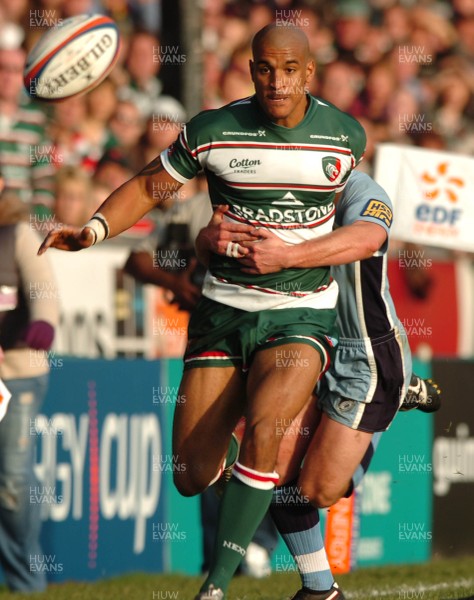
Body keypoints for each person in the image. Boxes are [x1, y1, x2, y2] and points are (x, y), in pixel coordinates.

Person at [38, 24, 366, 599]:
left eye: (289, 69)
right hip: (223, 311)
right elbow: (149, 186)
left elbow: (360, 228)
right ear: (249, 69)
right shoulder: (213, 130)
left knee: (269, 428)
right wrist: (92, 230)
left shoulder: (344, 137)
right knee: (190, 475)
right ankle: (256, 487)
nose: (277, 80)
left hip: (302, 313)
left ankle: (215, 586)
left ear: (309, 73)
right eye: (265, 68)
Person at [198, 170, 441, 599]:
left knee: (317, 489)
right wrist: (213, 238)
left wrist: (285, 254)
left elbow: (365, 239)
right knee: (265, 460)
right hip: (304, 341)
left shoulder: (361, 190)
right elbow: (220, 252)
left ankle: (394, 392)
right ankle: (320, 589)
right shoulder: (271, 191)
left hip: (363, 355)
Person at [0, 187, 60, 593]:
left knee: (12, 482)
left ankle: (26, 582)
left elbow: (44, 291)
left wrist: (43, 325)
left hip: (16, 373)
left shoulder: (16, 235)